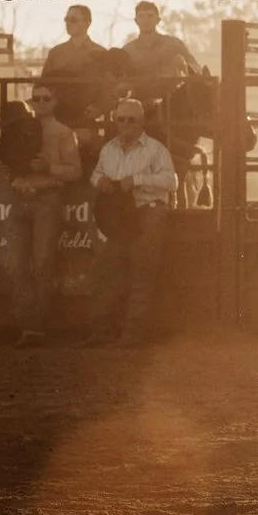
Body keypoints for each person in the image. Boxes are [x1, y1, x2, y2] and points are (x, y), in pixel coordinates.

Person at [89, 97, 178, 343]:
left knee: (142, 272)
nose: (126, 124)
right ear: (115, 121)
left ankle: (132, 333)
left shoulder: (155, 149)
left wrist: (137, 180)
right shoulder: (108, 149)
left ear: (142, 122)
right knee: (108, 271)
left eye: (132, 119)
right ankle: (102, 332)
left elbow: (171, 181)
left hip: (147, 212)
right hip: (118, 215)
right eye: (121, 119)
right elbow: (96, 174)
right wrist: (101, 181)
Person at [4, 81, 83, 347]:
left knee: (42, 262)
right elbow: (8, 160)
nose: (39, 103)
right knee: (16, 264)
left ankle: (34, 326)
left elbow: (75, 171)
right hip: (20, 198)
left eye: (45, 99)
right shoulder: (19, 129)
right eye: (35, 99)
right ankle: (26, 325)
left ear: (55, 101)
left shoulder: (63, 133)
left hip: (47, 199)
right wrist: (16, 179)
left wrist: (51, 167)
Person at [42, 5, 115, 133]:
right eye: (67, 19)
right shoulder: (56, 52)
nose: (68, 23)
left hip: (86, 119)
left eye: (74, 20)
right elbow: (43, 85)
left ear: (87, 23)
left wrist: (99, 108)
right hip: (58, 117)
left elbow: (108, 90)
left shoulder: (101, 53)